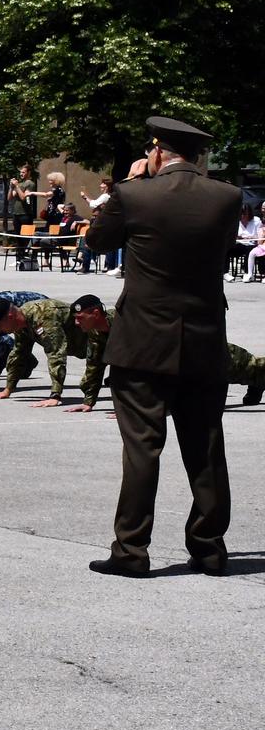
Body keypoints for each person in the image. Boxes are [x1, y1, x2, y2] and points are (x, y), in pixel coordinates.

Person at [83, 116, 237, 578]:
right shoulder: (227, 197)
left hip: (143, 342)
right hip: (204, 338)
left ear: (156, 152)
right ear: (195, 156)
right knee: (206, 447)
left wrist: (127, 185)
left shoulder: (133, 195)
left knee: (142, 449)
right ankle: (210, 548)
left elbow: (96, 241)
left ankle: (132, 551)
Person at [228, 204, 260, 282]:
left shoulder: (256, 220)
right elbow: (232, 234)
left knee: (249, 250)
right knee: (227, 248)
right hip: (239, 243)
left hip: (251, 244)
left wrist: (251, 238)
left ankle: (247, 273)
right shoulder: (236, 221)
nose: (243, 216)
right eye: (241, 214)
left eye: (245, 214)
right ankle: (225, 273)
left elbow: (260, 236)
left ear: (249, 213)